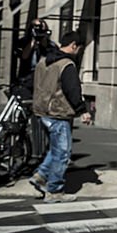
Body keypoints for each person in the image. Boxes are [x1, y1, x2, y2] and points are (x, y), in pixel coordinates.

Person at [29, 30, 91, 203]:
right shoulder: (66, 65)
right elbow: (73, 91)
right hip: (58, 113)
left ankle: (40, 175)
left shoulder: (44, 61)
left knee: (56, 149)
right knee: (63, 152)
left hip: (42, 112)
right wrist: (83, 110)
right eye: (78, 48)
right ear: (73, 46)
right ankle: (54, 190)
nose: (78, 51)